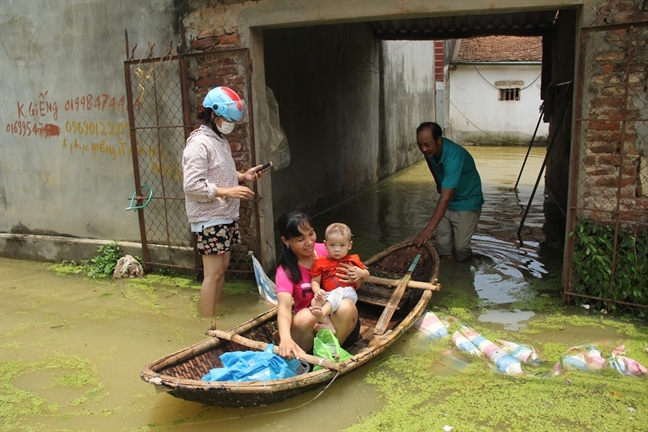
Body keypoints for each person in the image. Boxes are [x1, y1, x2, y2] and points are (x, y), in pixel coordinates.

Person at [182, 86, 265, 325]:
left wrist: (244, 176)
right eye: (227, 119)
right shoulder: (199, 144)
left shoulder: (219, 140)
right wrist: (229, 191)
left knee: (223, 267)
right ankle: (207, 325)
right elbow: (192, 186)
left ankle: (215, 313)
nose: (230, 124)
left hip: (224, 215)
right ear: (213, 113)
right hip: (209, 218)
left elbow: (220, 175)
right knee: (213, 273)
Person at [274, 210, 363, 360]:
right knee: (303, 318)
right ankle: (303, 359)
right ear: (286, 241)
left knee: (345, 306)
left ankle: (331, 355)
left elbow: (355, 284)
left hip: (341, 327)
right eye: (300, 239)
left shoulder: (330, 249)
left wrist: (358, 276)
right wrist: (285, 338)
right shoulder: (285, 271)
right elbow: (284, 307)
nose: (309, 242)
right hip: (310, 329)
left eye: (311, 233)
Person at [413, 121, 484, 262]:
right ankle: (448, 273)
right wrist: (438, 182)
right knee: (443, 247)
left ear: (439, 140)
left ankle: (465, 272)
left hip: (467, 201)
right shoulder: (430, 151)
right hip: (449, 199)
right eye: (419, 144)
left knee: (461, 249)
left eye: (427, 144)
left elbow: (445, 197)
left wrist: (428, 229)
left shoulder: (453, 157)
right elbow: (429, 160)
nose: (423, 149)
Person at [309, 223, 369, 334]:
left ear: (349, 245)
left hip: (347, 294)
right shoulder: (320, 262)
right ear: (325, 245)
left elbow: (367, 275)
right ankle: (328, 324)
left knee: (338, 292)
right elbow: (315, 281)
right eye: (332, 245)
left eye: (342, 245)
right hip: (329, 294)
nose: (337, 250)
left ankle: (323, 313)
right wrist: (317, 290)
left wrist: (361, 273)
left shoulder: (353, 259)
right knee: (314, 301)